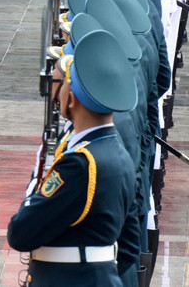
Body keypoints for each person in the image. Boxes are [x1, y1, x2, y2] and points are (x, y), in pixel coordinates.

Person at [7, 30, 140, 286]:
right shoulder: (118, 154)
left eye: (63, 86)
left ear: (73, 99)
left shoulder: (80, 163)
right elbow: (129, 245)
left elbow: (21, 233)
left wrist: (37, 176)